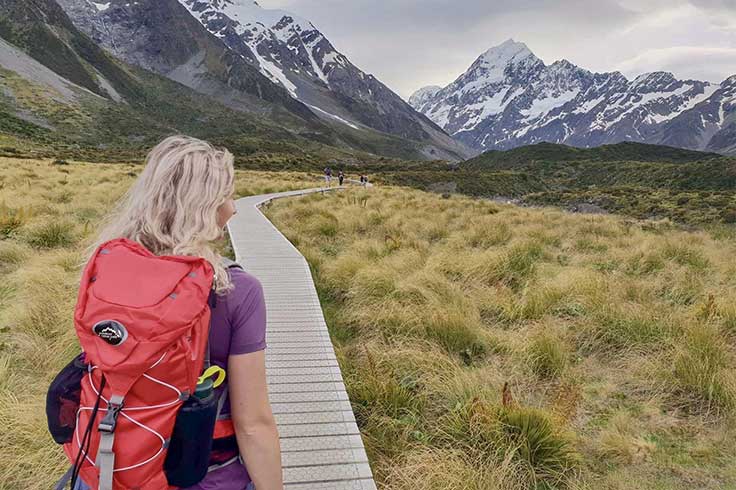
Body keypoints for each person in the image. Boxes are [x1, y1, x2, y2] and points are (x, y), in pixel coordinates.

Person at [77, 136, 283, 490]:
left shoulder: (106, 269)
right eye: (227, 196)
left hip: (108, 469)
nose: (234, 208)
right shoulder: (236, 291)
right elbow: (253, 425)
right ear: (205, 206)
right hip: (204, 475)